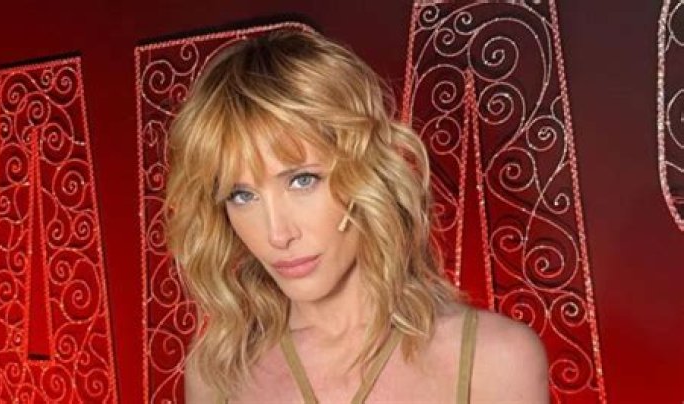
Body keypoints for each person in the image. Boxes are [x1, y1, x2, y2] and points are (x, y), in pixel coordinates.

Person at [166, 29, 549, 403]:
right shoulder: (218, 372)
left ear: (367, 171)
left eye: (302, 180)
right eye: (242, 195)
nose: (277, 235)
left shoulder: (494, 360)